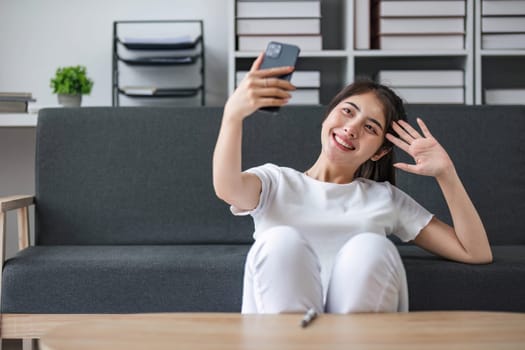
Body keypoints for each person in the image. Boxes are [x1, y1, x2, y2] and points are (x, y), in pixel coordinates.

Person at [213, 53, 492, 315]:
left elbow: (475, 253)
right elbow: (228, 189)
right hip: (283, 328)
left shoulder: (385, 198)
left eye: (370, 127)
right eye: (348, 111)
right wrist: (232, 115)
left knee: (371, 248)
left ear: (380, 151)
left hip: (358, 328)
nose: (352, 128)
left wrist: (447, 174)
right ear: (328, 115)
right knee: (281, 242)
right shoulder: (275, 181)